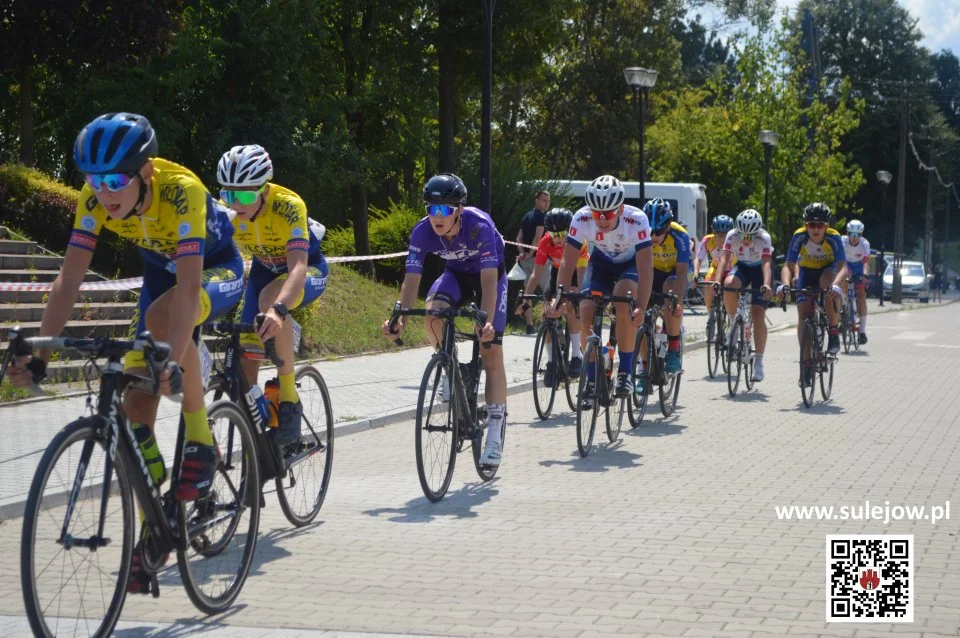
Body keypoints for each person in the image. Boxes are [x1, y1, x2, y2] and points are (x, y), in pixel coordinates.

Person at [9, 113, 244, 594]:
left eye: (116, 179)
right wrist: (42, 354)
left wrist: (174, 364)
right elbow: (69, 280)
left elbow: (190, 286)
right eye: (94, 181)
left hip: (214, 271)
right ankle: (156, 525)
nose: (104, 192)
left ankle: (201, 441)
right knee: (134, 409)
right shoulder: (93, 201)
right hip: (162, 276)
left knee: (165, 328)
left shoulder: (183, 191)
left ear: (146, 174)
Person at [383, 173, 508, 466]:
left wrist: (486, 321)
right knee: (432, 312)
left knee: (491, 351)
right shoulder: (422, 232)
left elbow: (489, 283)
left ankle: (494, 432)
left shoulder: (479, 226)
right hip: (456, 276)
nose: (437, 216)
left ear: (459, 209)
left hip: (490, 278)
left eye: (445, 209)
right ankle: (449, 365)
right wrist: (400, 318)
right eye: (431, 208)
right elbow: (411, 280)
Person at [216, 144, 328, 446]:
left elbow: (298, 268)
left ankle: (290, 403)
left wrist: (279, 310)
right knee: (246, 352)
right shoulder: (227, 212)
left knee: (269, 301)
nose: (235, 203)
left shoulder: (288, 205)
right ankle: (258, 421)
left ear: (264, 189)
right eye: (228, 195)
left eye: (245, 196)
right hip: (265, 272)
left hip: (307, 272)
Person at [551, 175, 653, 403]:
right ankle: (592, 378)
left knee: (622, 300)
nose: (602, 219)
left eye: (607, 214)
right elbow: (568, 261)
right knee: (585, 308)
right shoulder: (582, 217)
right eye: (597, 214)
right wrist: (560, 295)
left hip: (630, 264)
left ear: (620, 208)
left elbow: (646, 266)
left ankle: (625, 371)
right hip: (601, 262)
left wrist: (641, 306)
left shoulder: (637, 220)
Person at [515, 208, 588, 383]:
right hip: (557, 272)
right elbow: (536, 274)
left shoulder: (578, 242)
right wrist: (526, 299)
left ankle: (577, 356)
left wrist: (575, 298)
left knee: (570, 303)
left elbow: (580, 277)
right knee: (547, 312)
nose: (558, 238)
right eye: (553, 234)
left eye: (562, 234)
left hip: (577, 273)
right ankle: (551, 362)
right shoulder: (546, 241)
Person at [779, 203, 848, 385]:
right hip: (807, 273)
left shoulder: (833, 237)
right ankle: (806, 363)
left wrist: (836, 285)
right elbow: (788, 265)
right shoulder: (799, 236)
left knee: (828, 284)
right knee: (803, 316)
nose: (815, 229)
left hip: (827, 271)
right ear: (805, 225)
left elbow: (843, 267)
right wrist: (785, 285)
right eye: (811, 225)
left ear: (827, 226)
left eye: (820, 225)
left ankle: (833, 330)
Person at [715, 209, 773, 381]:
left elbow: (767, 263)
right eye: (743, 235)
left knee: (757, 313)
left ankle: (759, 362)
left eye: (750, 236)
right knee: (728, 285)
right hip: (742, 267)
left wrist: (767, 284)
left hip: (760, 270)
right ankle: (733, 323)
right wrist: (717, 280)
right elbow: (724, 259)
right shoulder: (732, 235)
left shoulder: (764, 238)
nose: (746, 239)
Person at [646, 199, 690, 376]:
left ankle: (673, 346)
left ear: (667, 228)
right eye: (650, 232)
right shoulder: (642, 235)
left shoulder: (680, 236)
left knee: (670, 293)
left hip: (674, 271)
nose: (653, 237)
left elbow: (681, 274)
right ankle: (643, 366)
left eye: (658, 232)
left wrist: (678, 303)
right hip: (654, 270)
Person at [694, 214, 735, 340]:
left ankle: (731, 320)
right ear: (714, 232)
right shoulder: (708, 240)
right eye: (719, 234)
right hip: (716, 268)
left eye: (725, 234)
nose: (722, 238)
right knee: (708, 285)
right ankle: (711, 315)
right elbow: (698, 258)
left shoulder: (735, 240)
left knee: (731, 292)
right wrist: (695, 273)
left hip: (732, 269)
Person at [516, 190, 550, 333]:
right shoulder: (541, 217)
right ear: (536, 200)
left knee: (528, 292)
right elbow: (538, 238)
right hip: (538, 260)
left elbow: (518, 238)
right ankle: (549, 322)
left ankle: (529, 325)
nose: (546, 203)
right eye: (544, 200)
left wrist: (522, 254)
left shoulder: (527, 216)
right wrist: (530, 254)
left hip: (525, 261)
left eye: (548, 201)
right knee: (549, 291)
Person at [841, 219, 871, 343]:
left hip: (859, 266)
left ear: (861, 235)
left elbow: (866, 263)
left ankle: (863, 331)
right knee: (842, 283)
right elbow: (839, 261)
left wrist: (865, 275)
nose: (854, 238)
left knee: (861, 295)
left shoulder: (864, 244)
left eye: (857, 235)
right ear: (847, 234)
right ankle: (843, 309)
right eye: (851, 234)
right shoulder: (842, 241)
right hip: (846, 264)